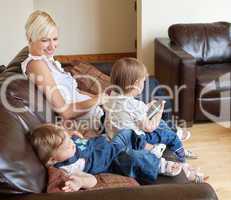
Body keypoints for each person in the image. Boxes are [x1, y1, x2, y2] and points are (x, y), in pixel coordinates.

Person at [30, 123, 184, 191]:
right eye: (67, 145)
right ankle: (161, 165)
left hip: (108, 145)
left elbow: (72, 140)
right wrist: (80, 182)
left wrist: (73, 136)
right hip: (110, 159)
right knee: (132, 157)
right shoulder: (67, 169)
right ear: (53, 160)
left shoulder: (69, 146)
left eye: (68, 139)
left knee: (126, 132)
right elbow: (92, 180)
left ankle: (151, 148)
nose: (72, 144)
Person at [21, 10, 103, 131]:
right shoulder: (36, 64)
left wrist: (102, 98)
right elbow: (65, 111)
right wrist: (99, 100)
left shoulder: (47, 60)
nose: (52, 46)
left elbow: (76, 92)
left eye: (54, 39)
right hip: (93, 119)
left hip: (96, 112)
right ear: (30, 38)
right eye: (45, 40)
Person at [103, 57, 197, 162]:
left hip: (114, 136)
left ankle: (168, 147)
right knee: (169, 134)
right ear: (136, 84)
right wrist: (159, 111)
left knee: (161, 125)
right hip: (135, 140)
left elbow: (130, 113)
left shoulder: (111, 95)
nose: (144, 84)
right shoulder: (135, 105)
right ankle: (181, 157)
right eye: (143, 81)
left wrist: (146, 107)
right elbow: (149, 127)